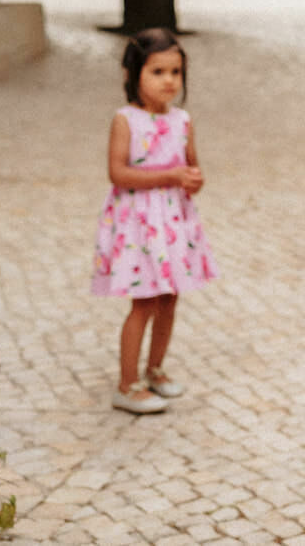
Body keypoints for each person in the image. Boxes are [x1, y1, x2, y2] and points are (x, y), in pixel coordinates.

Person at [91, 27, 217, 414]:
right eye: (157, 72)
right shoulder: (126, 120)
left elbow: (191, 167)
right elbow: (118, 173)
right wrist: (170, 177)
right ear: (133, 74)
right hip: (139, 228)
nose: (168, 81)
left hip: (173, 224)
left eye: (175, 73)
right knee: (143, 301)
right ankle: (127, 384)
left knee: (169, 297)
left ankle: (155, 368)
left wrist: (193, 180)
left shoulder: (182, 121)